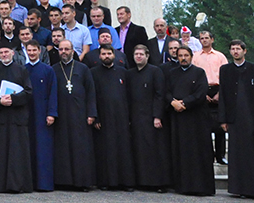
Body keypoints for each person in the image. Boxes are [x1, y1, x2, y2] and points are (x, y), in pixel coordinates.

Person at [218, 39, 254, 199]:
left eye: (238, 49)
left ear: (245, 51)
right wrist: (223, 119)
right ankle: (239, 188)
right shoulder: (225, 70)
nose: (235, 51)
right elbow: (222, 96)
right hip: (234, 119)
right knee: (237, 154)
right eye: (232, 49)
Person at [166, 45, 215, 196]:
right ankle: (182, 186)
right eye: (180, 56)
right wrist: (173, 102)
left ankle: (201, 187)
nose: (183, 58)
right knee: (181, 151)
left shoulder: (199, 73)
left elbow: (201, 93)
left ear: (191, 56)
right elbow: (166, 91)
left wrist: (185, 103)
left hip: (196, 120)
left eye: (186, 55)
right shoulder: (171, 73)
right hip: (178, 119)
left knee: (198, 152)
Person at [0, 45, 34, 193]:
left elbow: (28, 92)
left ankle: (18, 185)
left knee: (18, 153)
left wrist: (13, 99)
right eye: (1, 52)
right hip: (0, 117)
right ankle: (1, 185)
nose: (4, 55)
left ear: (12, 53)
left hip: (17, 118)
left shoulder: (21, 70)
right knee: (1, 153)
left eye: (6, 52)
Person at [52, 39, 97, 190]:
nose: (63, 52)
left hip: (80, 115)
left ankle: (82, 182)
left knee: (80, 148)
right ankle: (64, 181)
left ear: (72, 51)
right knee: (62, 148)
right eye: (61, 49)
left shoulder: (83, 69)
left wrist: (92, 113)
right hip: (62, 115)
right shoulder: (53, 69)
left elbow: (91, 92)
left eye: (66, 49)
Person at [90, 44, 134, 190]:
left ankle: (126, 182)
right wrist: (95, 117)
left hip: (121, 116)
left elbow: (129, 96)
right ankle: (106, 182)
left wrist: (129, 117)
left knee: (123, 149)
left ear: (114, 55)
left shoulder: (123, 72)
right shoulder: (93, 73)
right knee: (106, 149)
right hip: (103, 117)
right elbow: (92, 96)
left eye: (109, 53)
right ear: (99, 56)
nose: (106, 56)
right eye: (103, 54)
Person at [126, 44, 170, 191]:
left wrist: (157, 116)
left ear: (147, 56)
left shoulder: (155, 71)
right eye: (136, 54)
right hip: (136, 117)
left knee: (154, 150)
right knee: (138, 150)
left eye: (141, 54)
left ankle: (158, 183)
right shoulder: (130, 74)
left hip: (151, 117)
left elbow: (160, 95)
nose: (138, 56)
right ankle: (142, 181)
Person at [24, 40, 57, 191]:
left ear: (39, 51)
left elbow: (53, 93)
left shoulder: (48, 70)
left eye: (34, 50)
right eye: (28, 50)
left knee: (43, 150)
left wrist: (51, 113)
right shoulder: (22, 70)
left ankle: (44, 184)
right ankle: (29, 183)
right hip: (27, 115)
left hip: (43, 114)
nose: (31, 53)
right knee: (28, 149)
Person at [193, 29, 229, 165]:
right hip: (203, 91)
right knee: (204, 127)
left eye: (206, 38)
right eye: (201, 38)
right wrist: (203, 94)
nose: (204, 40)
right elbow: (194, 77)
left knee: (220, 126)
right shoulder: (195, 56)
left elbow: (226, 76)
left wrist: (220, 93)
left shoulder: (220, 56)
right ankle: (207, 155)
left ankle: (220, 156)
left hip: (218, 90)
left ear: (212, 39)